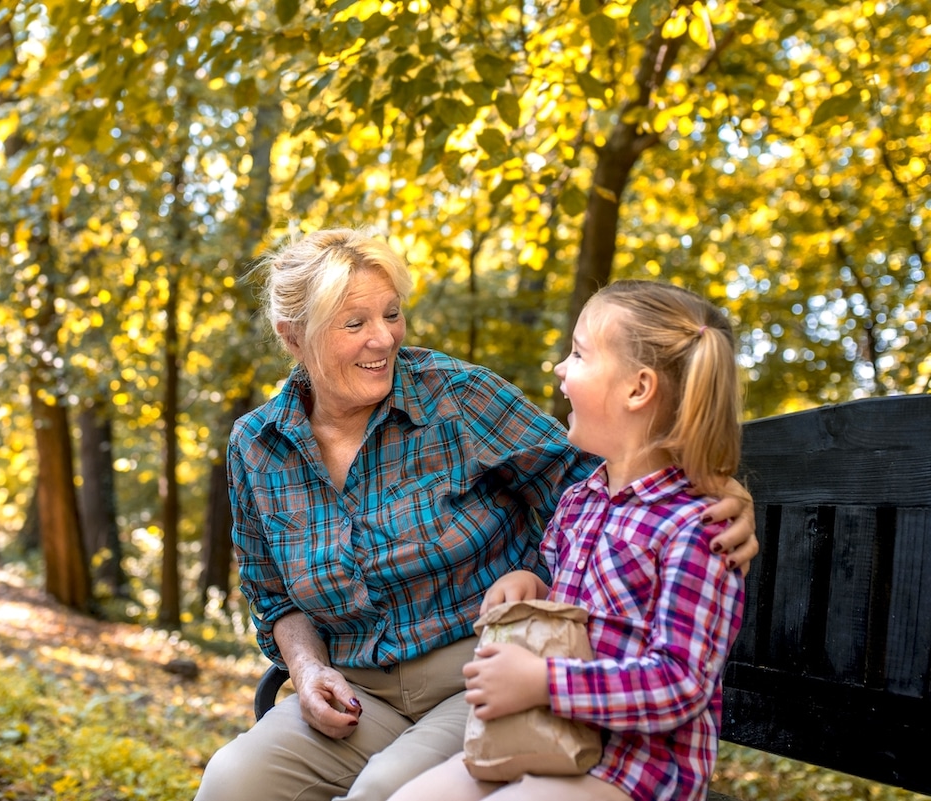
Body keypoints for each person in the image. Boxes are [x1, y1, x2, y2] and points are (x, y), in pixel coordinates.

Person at [194, 230, 757, 801]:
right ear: (295, 338)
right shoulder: (257, 446)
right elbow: (276, 598)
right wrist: (309, 671)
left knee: (384, 790)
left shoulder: (457, 397)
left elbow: (612, 468)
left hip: (480, 674)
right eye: (354, 323)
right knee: (232, 781)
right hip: (357, 692)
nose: (383, 337)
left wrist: (719, 491)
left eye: (391, 314)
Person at [388, 280, 748, 801]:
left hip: (633, 773)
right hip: (544, 741)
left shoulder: (697, 527)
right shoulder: (581, 499)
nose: (560, 367)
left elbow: (679, 683)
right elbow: (562, 592)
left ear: (637, 389)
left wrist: (542, 682)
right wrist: (529, 580)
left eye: (578, 354)